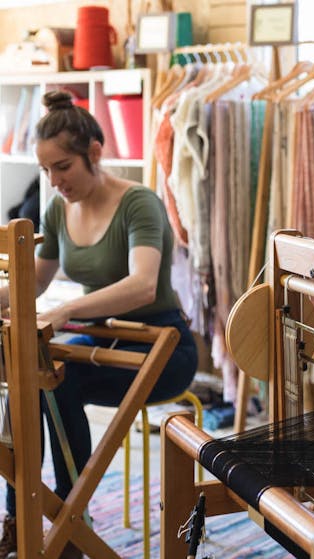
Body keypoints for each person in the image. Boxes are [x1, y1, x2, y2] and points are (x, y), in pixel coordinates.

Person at [0, 90, 198, 559]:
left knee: (57, 382)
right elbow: (33, 286)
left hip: (161, 345)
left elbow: (143, 286)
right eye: (46, 170)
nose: (53, 180)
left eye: (63, 167)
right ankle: (17, 518)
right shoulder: (55, 208)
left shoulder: (139, 203)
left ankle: (72, 520)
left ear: (94, 152)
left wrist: (68, 312)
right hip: (102, 337)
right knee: (24, 377)